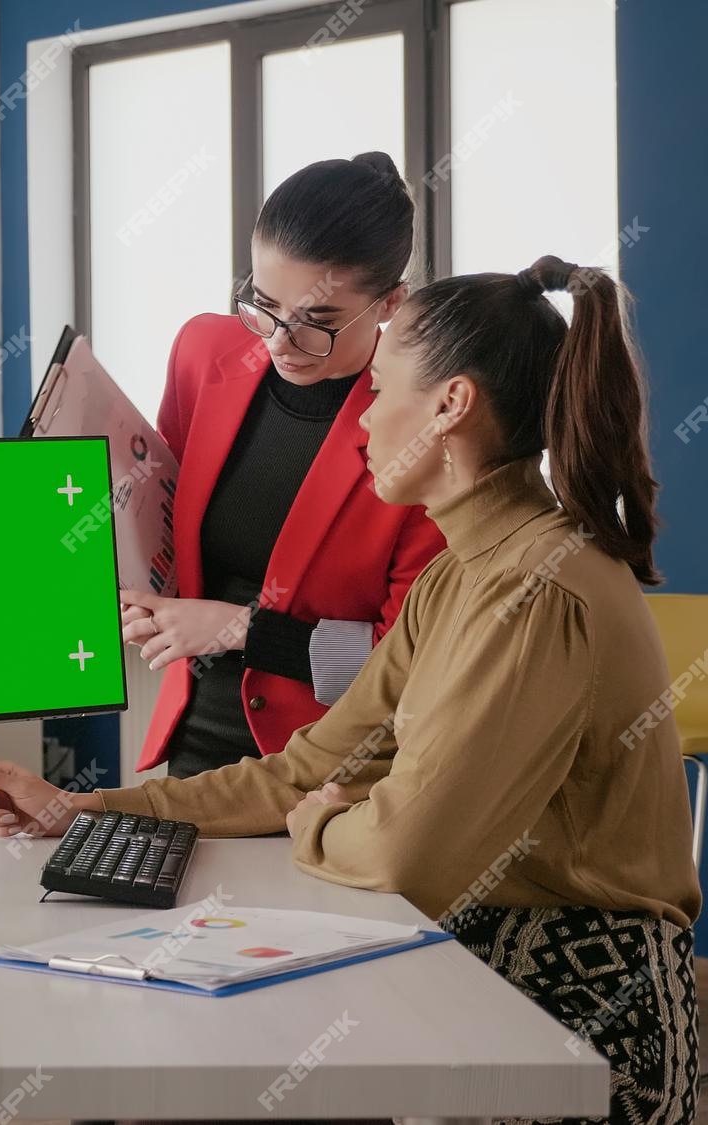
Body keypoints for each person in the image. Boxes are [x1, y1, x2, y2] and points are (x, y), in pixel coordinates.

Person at [0, 257, 700, 1124]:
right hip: (477, 973)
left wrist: (322, 816)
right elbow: (303, 769)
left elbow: (408, 857)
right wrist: (84, 807)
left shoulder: (534, 590)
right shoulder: (460, 576)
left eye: (380, 388)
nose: (360, 422)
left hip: (576, 1018)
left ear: (450, 406)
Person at [128, 153, 446, 780]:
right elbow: (160, 513)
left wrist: (241, 628)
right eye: (264, 305)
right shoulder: (204, 351)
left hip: (331, 769)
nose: (278, 342)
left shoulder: (421, 438)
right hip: (192, 743)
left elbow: (408, 661)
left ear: (390, 304)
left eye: (317, 322)